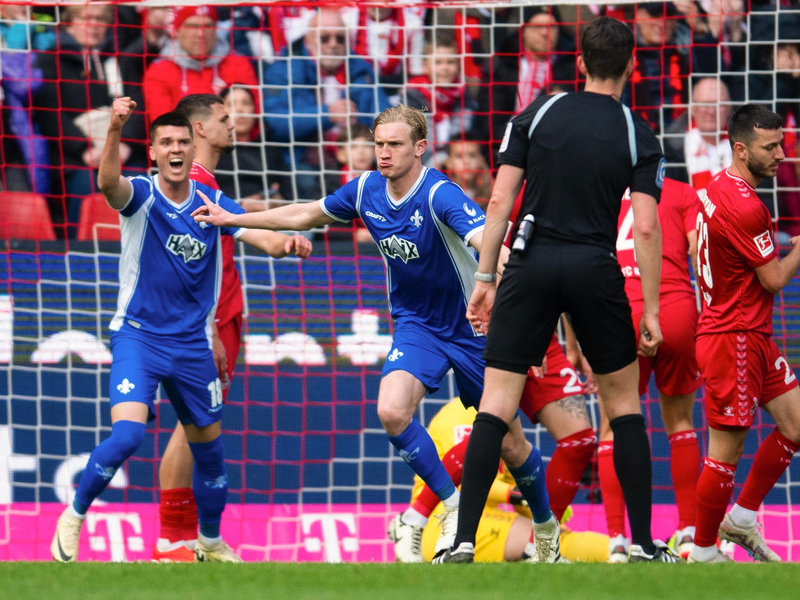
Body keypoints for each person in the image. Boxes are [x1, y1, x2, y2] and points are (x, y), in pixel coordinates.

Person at [192, 104, 563, 564]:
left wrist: (526, 319)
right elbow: (306, 213)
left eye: (394, 145)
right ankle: (449, 504)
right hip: (417, 326)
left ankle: (546, 526)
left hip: (473, 327)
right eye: (378, 144)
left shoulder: (439, 195)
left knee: (510, 442)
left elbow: (489, 242)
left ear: (421, 148)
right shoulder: (366, 189)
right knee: (391, 410)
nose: (383, 154)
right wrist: (233, 220)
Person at [448, 17, 681, 564]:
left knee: (495, 405)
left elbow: (500, 202)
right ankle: (644, 545)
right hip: (594, 267)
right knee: (624, 408)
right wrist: (649, 307)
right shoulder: (637, 132)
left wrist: (484, 278)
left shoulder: (539, 111)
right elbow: (646, 227)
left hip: (528, 264)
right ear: (631, 66)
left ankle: (460, 541)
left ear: (578, 63)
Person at [49, 97, 311, 564]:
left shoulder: (212, 203)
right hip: (140, 338)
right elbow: (108, 183)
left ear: (193, 149)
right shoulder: (142, 196)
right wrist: (114, 129)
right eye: (165, 142)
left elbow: (257, 234)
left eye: (182, 142)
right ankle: (74, 513)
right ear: (152, 153)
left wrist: (287, 242)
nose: (175, 149)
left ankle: (208, 542)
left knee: (210, 456)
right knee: (128, 436)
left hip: (192, 345)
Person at [689, 104, 800, 564]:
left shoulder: (718, 186)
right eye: (770, 147)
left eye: (781, 144)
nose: (780, 154)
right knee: (725, 451)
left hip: (750, 331)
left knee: (795, 424)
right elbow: (773, 279)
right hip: (731, 334)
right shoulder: (745, 205)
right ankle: (702, 551)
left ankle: (744, 516)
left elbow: (697, 243)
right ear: (740, 149)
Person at [597, 178, 703, 562]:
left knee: (613, 425)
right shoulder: (681, 192)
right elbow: (697, 251)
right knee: (680, 423)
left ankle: (617, 540)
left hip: (618, 309)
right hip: (675, 307)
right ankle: (689, 533)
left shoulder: (599, 189)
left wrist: (574, 341)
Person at [392, 398, 609, 563]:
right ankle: (622, 553)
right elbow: (464, 480)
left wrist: (541, 512)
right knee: (557, 544)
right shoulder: (462, 413)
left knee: (549, 538)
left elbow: (511, 489)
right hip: (442, 522)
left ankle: (621, 552)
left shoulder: (506, 420)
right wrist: (517, 495)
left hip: (481, 519)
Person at [262, 8, 389, 200]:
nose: (333, 44)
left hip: (356, 159)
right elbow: (275, 123)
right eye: (324, 38)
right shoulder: (283, 70)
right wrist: (326, 114)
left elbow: (384, 114)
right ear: (309, 41)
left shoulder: (361, 69)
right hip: (304, 162)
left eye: (340, 38)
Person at [142, 5, 258, 127]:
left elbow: (251, 122)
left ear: (216, 30)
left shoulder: (238, 64)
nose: (200, 34)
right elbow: (164, 124)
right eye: (192, 26)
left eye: (207, 26)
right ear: (178, 31)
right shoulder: (160, 70)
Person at [663, 78, 733, 190]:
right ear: (692, 108)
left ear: (730, 108)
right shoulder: (669, 147)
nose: (711, 111)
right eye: (704, 104)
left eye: (719, 104)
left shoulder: (747, 145)